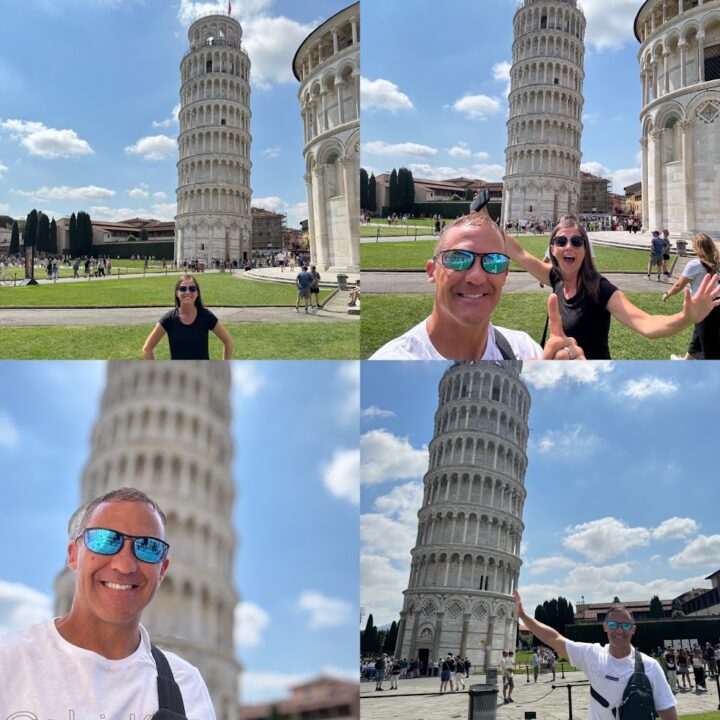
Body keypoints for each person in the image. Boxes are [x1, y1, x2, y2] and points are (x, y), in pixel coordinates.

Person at [0, 487, 216, 718]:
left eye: (148, 547)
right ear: (73, 555)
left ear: (162, 570)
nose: (124, 565)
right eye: (104, 540)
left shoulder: (185, 685)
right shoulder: (8, 662)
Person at [370, 209, 587, 360]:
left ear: (505, 275)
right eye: (458, 258)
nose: (477, 277)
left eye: (493, 262)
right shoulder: (389, 362)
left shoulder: (525, 349)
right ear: (432, 271)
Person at [503, 216, 720, 359]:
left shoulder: (600, 289)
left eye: (577, 242)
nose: (568, 246)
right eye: (561, 242)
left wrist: (686, 317)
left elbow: (647, 324)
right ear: (553, 249)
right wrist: (484, 223)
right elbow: (520, 254)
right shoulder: (556, 278)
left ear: (585, 249)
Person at [514, 589, 677, 720]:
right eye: (613, 624)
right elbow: (554, 638)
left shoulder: (651, 667)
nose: (619, 630)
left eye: (626, 626)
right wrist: (522, 615)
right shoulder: (592, 655)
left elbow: (670, 715)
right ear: (605, 627)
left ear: (633, 629)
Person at [142, 275, 233, 360]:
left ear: (197, 293)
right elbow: (147, 349)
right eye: (183, 289)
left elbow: (228, 342)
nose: (187, 292)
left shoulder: (206, 316)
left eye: (192, 289)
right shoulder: (169, 319)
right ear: (177, 293)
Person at [663, 232, 720, 359]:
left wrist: (667, 293)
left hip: (704, 307)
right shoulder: (717, 262)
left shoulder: (695, 264)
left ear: (696, 247)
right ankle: (685, 361)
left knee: (710, 346)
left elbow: (679, 285)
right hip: (716, 303)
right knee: (699, 337)